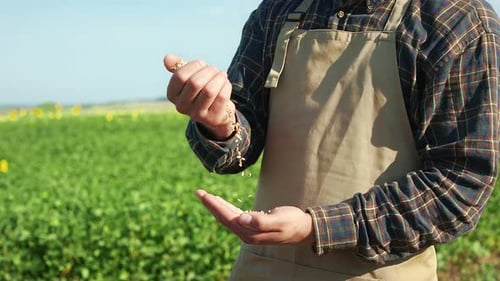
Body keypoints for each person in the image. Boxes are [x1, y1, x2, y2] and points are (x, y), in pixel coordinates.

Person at [164, 0, 499, 280]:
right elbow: (240, 141)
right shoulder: (278, 10)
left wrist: (317, 228)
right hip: (264, 269)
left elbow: (459, 185)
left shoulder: (456, 21)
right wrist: (220, 122)